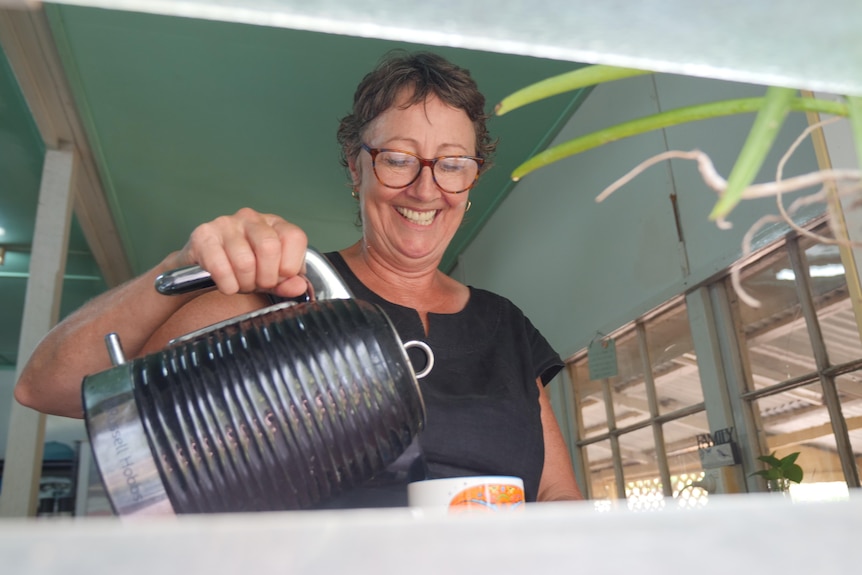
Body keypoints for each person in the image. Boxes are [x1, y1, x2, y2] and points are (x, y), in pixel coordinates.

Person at [15, 51, 583, 506]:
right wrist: (176, 265)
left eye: (452, 163)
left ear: (472, 178)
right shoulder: (286, 294)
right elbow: (48, 388)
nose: (425, 187)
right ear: (355, 166)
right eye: (397, 157)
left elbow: (557, 493)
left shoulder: (505, 324)